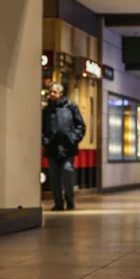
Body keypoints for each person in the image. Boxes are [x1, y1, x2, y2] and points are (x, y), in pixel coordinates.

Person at [42, 82, 86, 211]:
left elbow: (81, 126)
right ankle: (58, 202)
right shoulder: (46, 110)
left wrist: (73, 138)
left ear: (61, 93)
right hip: (52, 147)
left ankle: (70, 199)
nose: (51, 94)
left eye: (54, 92)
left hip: (68, 147)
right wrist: (45, 141)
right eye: (50, 92)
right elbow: (41, 128)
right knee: (54, 176)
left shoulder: (71, 108)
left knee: (67, 171)